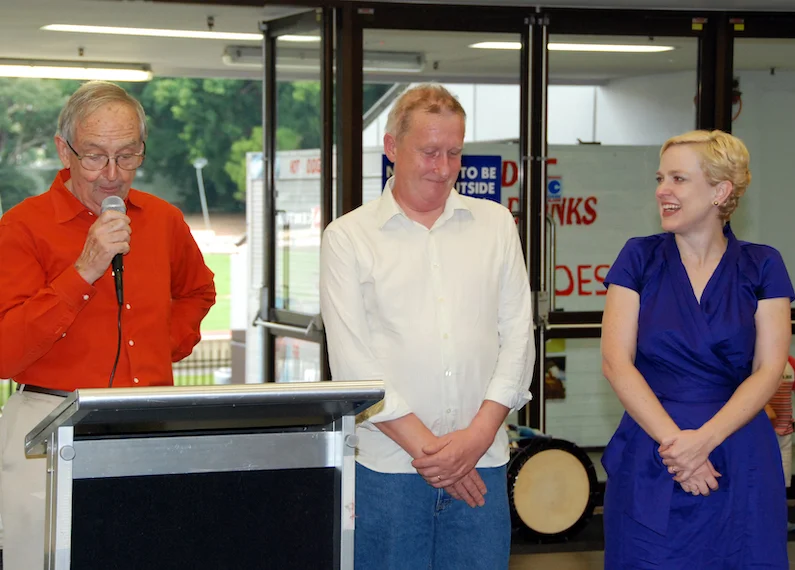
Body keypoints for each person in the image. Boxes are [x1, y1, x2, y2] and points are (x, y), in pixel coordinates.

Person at [0, 81, 216, 570]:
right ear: (65, 150)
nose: (112, 175)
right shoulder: (22, 227)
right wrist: (84, 271)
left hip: (146, 425)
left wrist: (160, 345)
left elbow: (197, 292)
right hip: (47, 427)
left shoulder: (162, 220)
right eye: (95, 156)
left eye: (127, 155)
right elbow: (5, 352)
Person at [319, 83, 534, 569]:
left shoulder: (496, 223)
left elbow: (519, 337)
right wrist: (438, 457)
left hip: (484, 462)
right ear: (392, 147)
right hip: (389, 471)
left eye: (453, 153)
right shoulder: (349, 237)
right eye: (429, 152)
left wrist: (474, 440)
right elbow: (354, 365)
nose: (442, 168)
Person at [601, 129, 793, 568]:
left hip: (738, 451)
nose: (662, 191)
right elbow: (616, 363)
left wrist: (703, 441)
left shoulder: (763, 265)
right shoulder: (639, 258)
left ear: (720, 191)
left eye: (678, 179)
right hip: (655, 449)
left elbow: (768, 368)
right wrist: (678, 448)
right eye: (660, 178)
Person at [765, 355, 795, 531]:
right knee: (765, 480)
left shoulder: (790, 362)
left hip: (785, 431)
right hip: (764, 432)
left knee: (782, 482)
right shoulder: (756, 358)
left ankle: (779, 523)